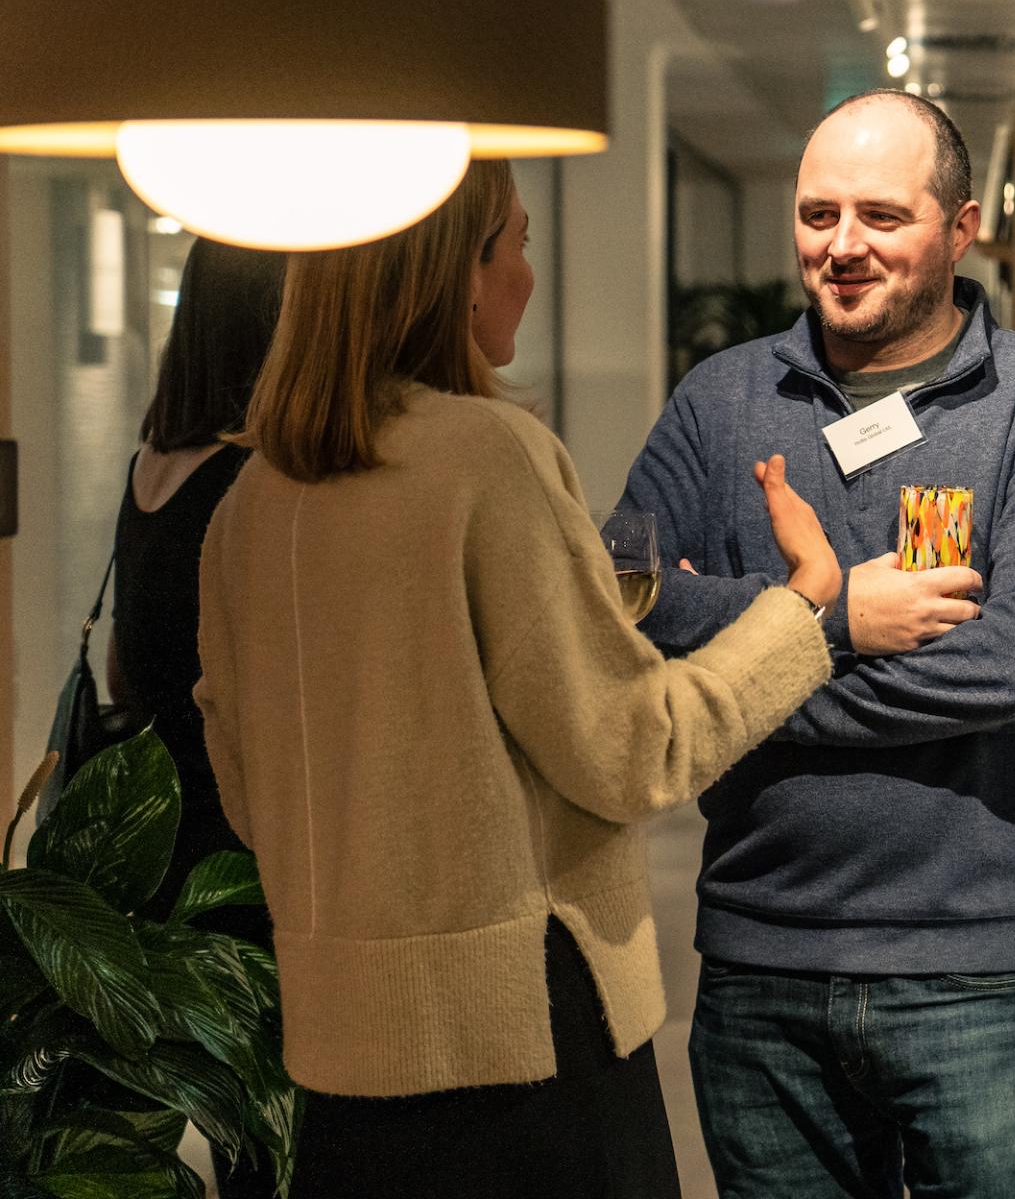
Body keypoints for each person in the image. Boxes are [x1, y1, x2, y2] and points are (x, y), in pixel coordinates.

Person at [193, 159, 842, 1199]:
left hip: (337, 1056)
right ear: (455, 272)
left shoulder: (250, 502)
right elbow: (635, 747)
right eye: (518, 245)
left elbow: (247, 791)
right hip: (524, 1040)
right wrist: (804, 605)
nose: (528, 276)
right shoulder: (488, 457)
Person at [610, 89, 1015, 1198]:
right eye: (817, 212)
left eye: (882, 216)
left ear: (961, 226)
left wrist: (736, 648)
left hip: (975, 964)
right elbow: (623, 602)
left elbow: (1013, 670)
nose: (842, 247)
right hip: (759, 960)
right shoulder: (720, 400)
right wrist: (835, 621)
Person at [106, 236, 284, 1199]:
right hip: (234, 838)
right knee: (265, 1120)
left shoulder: (150, 468)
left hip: (155, 837)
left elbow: (123, 666)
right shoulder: (254, 482)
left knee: (202, 1098)